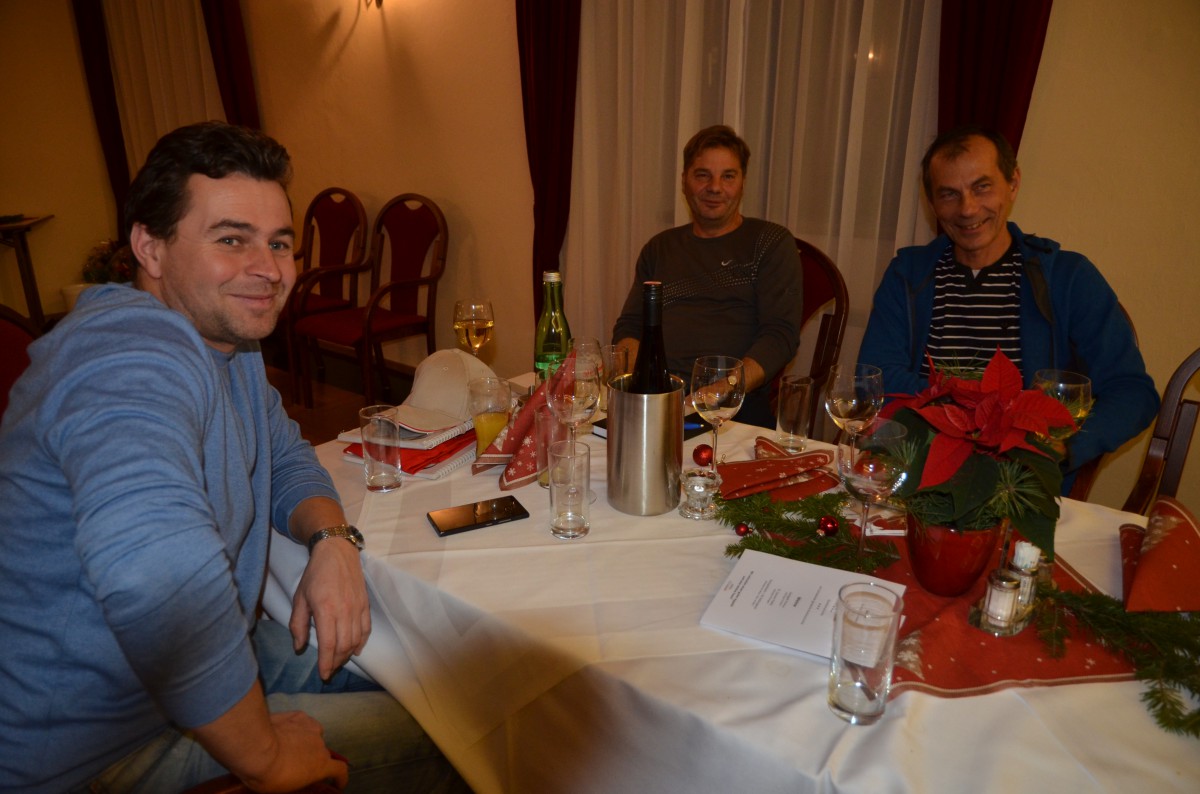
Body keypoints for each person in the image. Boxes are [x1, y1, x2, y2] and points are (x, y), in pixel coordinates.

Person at [0, 122, 463, 793]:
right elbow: (157, 574)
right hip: (92, 748)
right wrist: (267, 757)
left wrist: (333, 541)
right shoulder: (128, 356)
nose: (269, 269)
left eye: (279, 243)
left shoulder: (228, 347)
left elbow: (284, 457)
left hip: (185, 677)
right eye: (230, 239)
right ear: (149, 247)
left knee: (437, 681)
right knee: (457, 744)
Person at [859, 124, 1159, 484]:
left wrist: (1065, 447)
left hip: (1021, 481)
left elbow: (1132, 391)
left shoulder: (1068, 277)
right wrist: (980, 410)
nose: (968, 209)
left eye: (982, 187)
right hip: (916, 469)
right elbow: (875, 378)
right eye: (949, 194)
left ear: (1013, 183)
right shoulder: (908, 274)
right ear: (932, 203)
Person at [612, 125, 802, 428]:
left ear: (742, 183)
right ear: (684, 181)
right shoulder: (660, 248)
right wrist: (638, 385)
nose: (715, 187)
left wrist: (721, 391)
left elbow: (780, 336)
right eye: (703, 175)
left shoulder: (770, 242)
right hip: (657, 402)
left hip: (732, 410)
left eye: (728, 176)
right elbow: (631, 326)